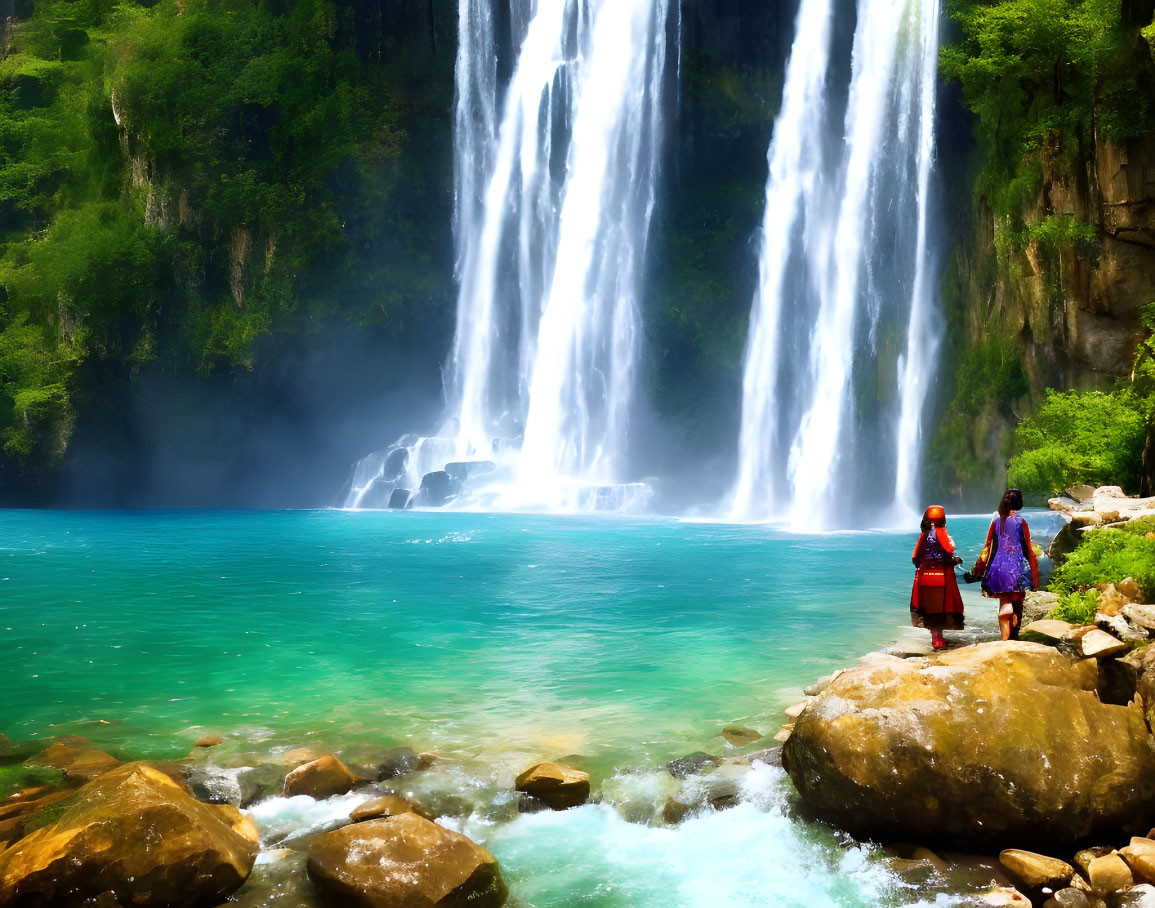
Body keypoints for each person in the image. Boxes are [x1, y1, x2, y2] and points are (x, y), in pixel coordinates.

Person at [964, 488, 1039, 641]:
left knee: (1004, 601)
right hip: (1016, 568)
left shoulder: (997, 521)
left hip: (997, 568)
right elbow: (1028, 549)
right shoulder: (1021, 523)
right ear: (1019, 503)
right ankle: (1009, 639)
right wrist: (1034, 575)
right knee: (1013, 603)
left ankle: (1006, 636)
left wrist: (981, 570)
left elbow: (988, 546)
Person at [910, 505, 965, 649]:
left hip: (924, 576)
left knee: (928, 608)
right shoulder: (943, 533)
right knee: (944, 606)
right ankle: (938, 639)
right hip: (943, 577)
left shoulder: (924, 535)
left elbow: (915, 558)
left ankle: (936, 636)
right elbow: (949, 553)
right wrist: (956, 560)